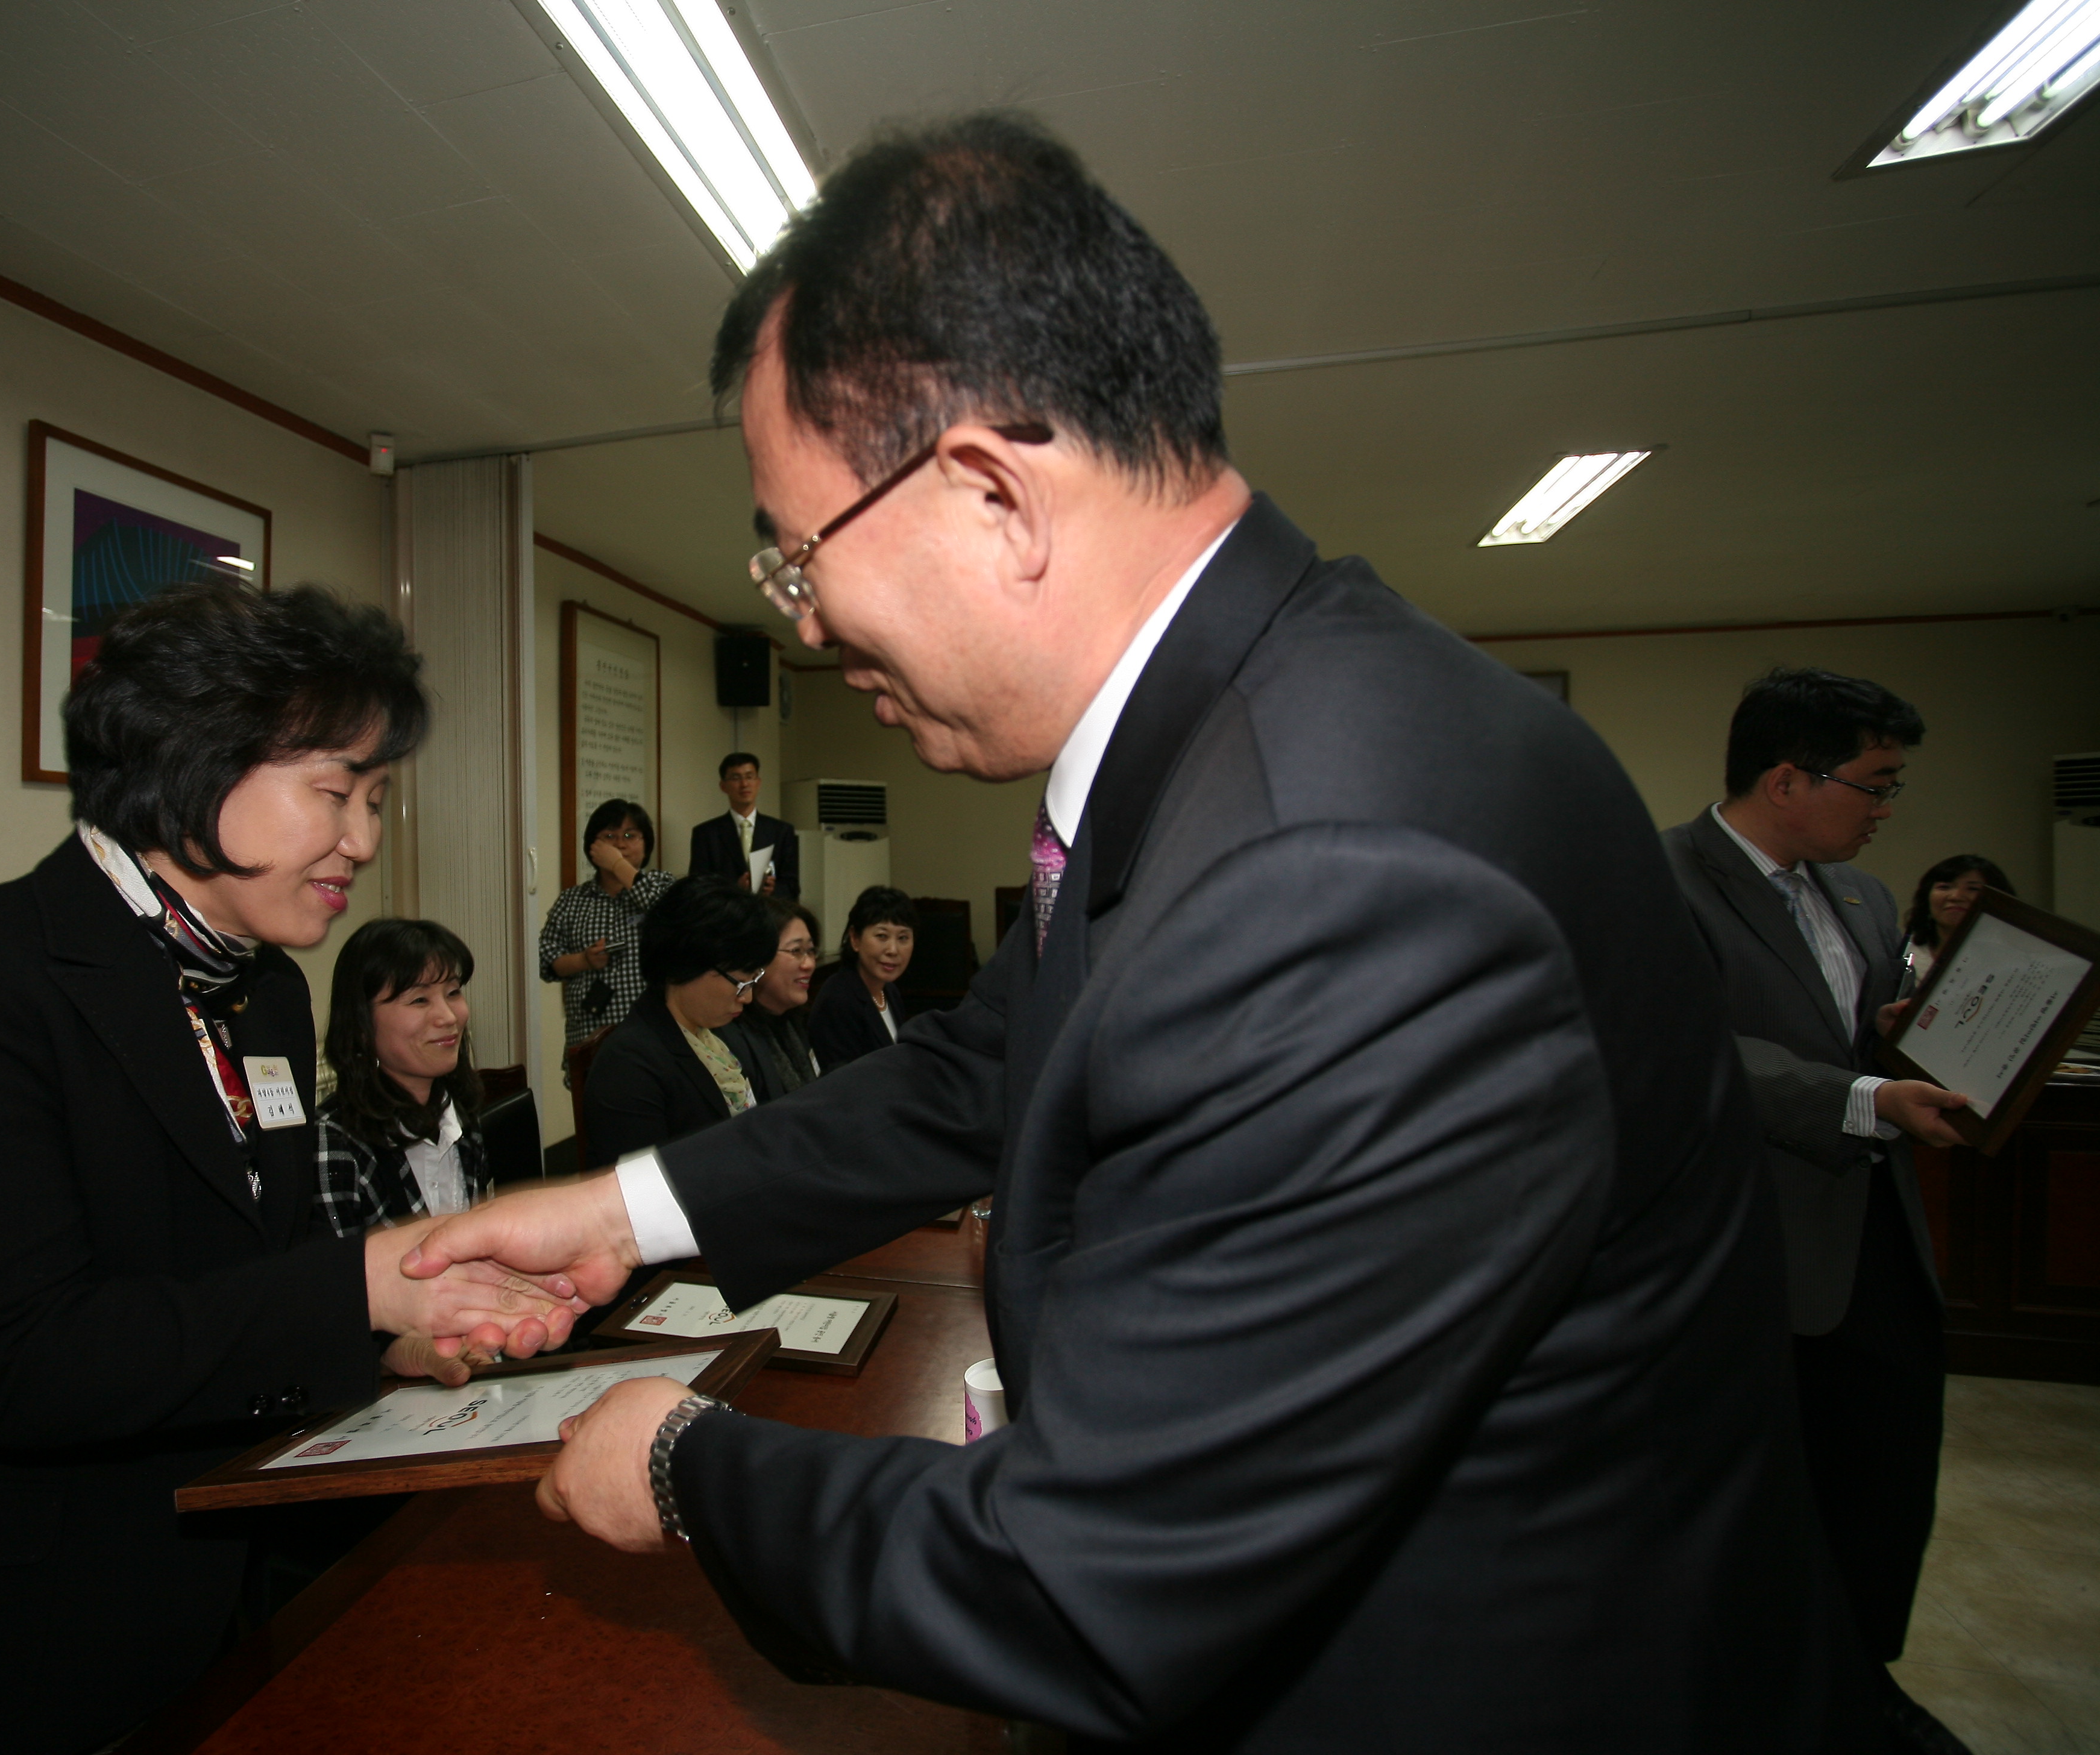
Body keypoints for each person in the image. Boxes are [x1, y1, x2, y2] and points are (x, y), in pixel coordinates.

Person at [403, 113, 1872, 1751]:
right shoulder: (1251, 722)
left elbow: (1093, 1589)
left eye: (797, 559)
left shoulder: (1335, 865)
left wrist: (685, 1466)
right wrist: (624, 1212)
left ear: (989, 491)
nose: (802, 624)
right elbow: (986, 1063)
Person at [0, 582, 578, 1755]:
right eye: (334, 793)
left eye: (375, 799)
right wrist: (358, 1284)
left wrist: (390, 1341)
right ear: (189, 767)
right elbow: (23, 1361)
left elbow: (229, 1275)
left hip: (191, 1584)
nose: (364, 840)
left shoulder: (261, 987)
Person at [1661, 668, 1972, 1754]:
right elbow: (1684, 1050)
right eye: (1871, 784)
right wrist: (1860, 1095)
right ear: (1786, 778)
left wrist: (1904, 1037)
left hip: (1877, 1229)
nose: (1885, 810)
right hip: (1753, 1248)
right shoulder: (1661, 879)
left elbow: (1851, 1034)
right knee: (1761, 1494)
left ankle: (1854, 1675)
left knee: (1882, 1475)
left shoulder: (1862, 896)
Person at [577, 876, 779, 1168]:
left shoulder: (721, 1035)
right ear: (687, 962)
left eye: (754, 981)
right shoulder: (629, 1064)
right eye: (740, 982)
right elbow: (644, 1196)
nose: (747, 998)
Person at [314, 917, 492, 1237]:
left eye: (453, 992)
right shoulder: (334, 1144)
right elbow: (341, 1278)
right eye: (419, 1000)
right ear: (362, 1021)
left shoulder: (459, 1113)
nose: (449, 1017)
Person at [538, 799, 673, 1069]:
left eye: (630, 836)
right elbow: (545, 959)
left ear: (645, 843)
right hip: (590, 1036)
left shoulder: (661, 885)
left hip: (656, 1036)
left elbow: (667, 913)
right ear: (593, 846)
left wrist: (618, 864)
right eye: (610, 837)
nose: (621, 844)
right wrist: (584, 961)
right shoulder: (572, 900)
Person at [722, 894, 822, 1100]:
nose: (809, 964)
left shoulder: (797, 1022)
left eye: (811, 951)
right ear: (758, 956)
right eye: (796, 951)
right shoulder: (731, 1038)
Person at [806, 884, 914, 1070]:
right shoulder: (838, 1000)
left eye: (903, 938)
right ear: (855, 939)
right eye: (882, 936)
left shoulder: (889, 991)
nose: (893, 950)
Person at [686, 751, 800, 897]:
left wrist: (773, 889)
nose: (744, 784)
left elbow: (793, 887)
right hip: (726, 916)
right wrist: (735, 887)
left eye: (749, 777)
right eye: (736, 778)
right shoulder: (706, 834)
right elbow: (697, 888)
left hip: (768, 915)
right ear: (723, 786)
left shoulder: (781, 831)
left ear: (758, 782)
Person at [1902, 853, 2016, 985]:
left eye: (1973, 889)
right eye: (1944, 887)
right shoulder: (1905, 954)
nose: (1956, 897)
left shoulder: (2013, 960)